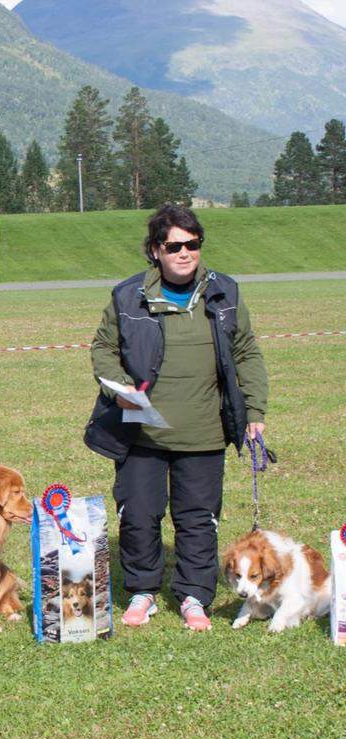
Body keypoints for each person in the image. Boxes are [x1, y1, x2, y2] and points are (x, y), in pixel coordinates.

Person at [84, 204, 268, 631]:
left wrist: (254, 411)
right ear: (155, 251)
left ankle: (193, 596)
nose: (185, 253)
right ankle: (143, 591)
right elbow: (103, 348)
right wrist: (118, 386)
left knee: (198, 519)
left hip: (203, 433)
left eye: (194, 244)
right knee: (138, 514)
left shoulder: (226, 293)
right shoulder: (127, 295)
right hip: (141, 433)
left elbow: (247, 352)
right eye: (175, 246)